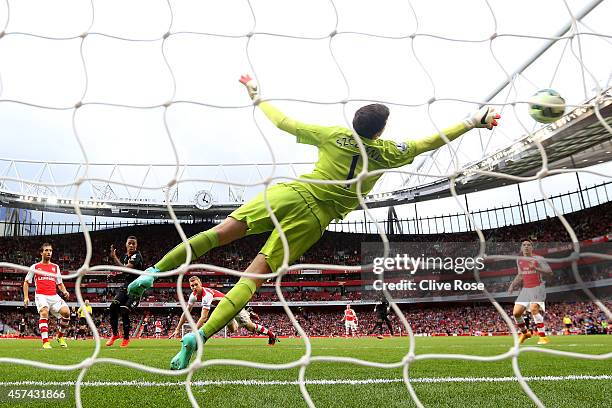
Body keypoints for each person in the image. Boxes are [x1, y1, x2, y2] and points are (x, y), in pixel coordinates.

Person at [126, 75, 501, 369]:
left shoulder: (333, 135)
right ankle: (200, 337)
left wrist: (256, 95)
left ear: (353, 123)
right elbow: (430, 142)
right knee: (253, 277)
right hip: (314, 217)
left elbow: (284, 122)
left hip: (290, 193)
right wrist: (474, 121)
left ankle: (154, 272)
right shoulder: (389, 153)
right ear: (381, 131)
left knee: (217, 234)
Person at [169, 276, 277, 344]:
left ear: (200, 284)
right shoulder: (193, 296)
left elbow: (204, 317)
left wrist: (194, 333)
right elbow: (186, 312)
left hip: (233, 306)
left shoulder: (206, 295)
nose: (194, 287)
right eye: (192, 286)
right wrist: (177, 328)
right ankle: (247, 312)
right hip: (225, 309)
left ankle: (271, 334)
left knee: (250, 327)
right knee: (232, 330)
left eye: (196, 284)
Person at [23, 243, 70, 349]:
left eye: (50, 250)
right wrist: (26, 297)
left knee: (66, 313)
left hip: (54, 295)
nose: (49, 252)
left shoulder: (55, 267)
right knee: (44, 312)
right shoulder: (35, 267)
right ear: (41, 252)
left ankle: (60, 336)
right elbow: (26, 282)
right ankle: (45, 341)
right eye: (46, 250)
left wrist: (65, 291)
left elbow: (59, 283)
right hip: (41, 295)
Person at [508, 240, 553, 345]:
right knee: (516, 313)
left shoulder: (539, 259)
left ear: (532, 248)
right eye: (524, 245)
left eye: (529, 245)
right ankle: (525, 333)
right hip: (526, 288)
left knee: (533, 309)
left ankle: (543, 337)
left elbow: (550, 272)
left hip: (538, 287)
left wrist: (536, 268)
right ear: (521, 248)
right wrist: (512, 285)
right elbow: (520, 275)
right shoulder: (519, 260)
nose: (526, 246)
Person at [106, 236, 144, 348]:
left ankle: (126, 338)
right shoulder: (125, 257)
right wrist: (114, 276)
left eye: (133, 244)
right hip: (126, 286)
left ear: (136, 245)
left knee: (124, 310)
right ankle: (115, 334)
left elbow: (126, 268)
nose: (131, 245)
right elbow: (124, 273)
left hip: (136, 287)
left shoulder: (137, 256)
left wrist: (114, 257)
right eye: (129, 243)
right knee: (113, 306)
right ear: (126, 244)